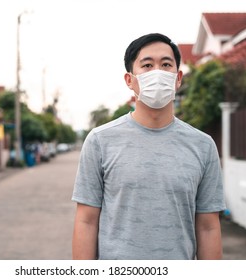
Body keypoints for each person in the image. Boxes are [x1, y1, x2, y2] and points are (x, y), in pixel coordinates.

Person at [71, 33, 226, 260]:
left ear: (178, 77)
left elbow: (208, 226)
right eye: (147, 65)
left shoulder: (203, 145)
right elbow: (86, 220)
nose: (157, 72)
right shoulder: (100, 140)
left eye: (166, 64)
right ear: (129, 80)